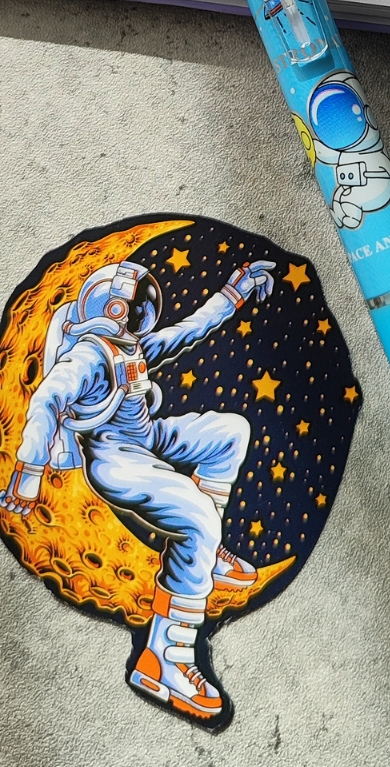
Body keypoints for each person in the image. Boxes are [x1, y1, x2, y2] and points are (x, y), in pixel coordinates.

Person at [0, 255, 275, 721]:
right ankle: (165, 658)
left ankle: (205, 556)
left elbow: (189, 328)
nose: (144, 315)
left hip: (146, 439)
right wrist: (28, 473)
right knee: (197, 517)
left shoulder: (130, 347)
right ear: (112, 308)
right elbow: (48, 398)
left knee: (230, 432)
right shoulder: (89, 355)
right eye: (136, 307)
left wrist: (237, 289)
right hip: (116, 459)